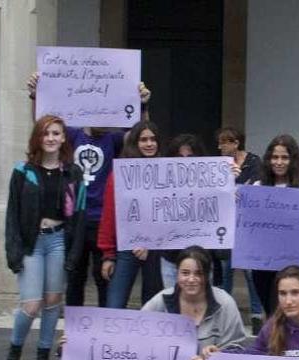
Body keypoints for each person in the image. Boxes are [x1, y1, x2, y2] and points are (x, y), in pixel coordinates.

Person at [26, 72, 151, 308]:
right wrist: (35, 96)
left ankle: (102, 332)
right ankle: (73, 336)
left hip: (103, 220)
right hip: (75, 219)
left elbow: (140, 136)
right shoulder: (72, 135)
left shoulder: (114, 140)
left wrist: (143, 105)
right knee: (75, 279)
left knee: (104, 277)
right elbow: (43, 128)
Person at [3, 115, 87, 360]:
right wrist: (13, 252)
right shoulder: (22, 171)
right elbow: (12, 215)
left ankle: (43, 356)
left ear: (63, 138)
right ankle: (14, 351)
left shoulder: (72, 173)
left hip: (59, 240)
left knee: (52, 302)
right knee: (30, 305)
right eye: (46, 133)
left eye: (56, 133)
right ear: (38, 138)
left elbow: (80, 214)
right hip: (32, 243)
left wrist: (74, 253)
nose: (51, 138)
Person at [248, 135, 299, 316]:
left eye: (284, 157)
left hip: (296, 268)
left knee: (294, 316)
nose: (279, 162)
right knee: (273, 317)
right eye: (274, 157)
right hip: (264, 268)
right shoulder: (257, 187)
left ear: (293, 160)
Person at [98, 121, 165, 308]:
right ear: (134, 143)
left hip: (156, 248)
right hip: (126, 247)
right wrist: (108, 255)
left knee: (153, 307)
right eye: (143, 139)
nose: (149, 144)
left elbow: (168, 213)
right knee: (114, 304)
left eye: (153, 139)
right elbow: (109, 215)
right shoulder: (119, 173)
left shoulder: (167, 172)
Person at [215, 126, 265, 332]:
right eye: (219, 143)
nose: (220, 147)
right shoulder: (219, 165)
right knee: (226, 271)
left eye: (224, 143)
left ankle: (256, 317)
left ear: (235, 143)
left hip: (249, 228)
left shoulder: (254, 162)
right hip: (227, 225)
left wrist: (237, 183)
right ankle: (224, 317)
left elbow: (259, 188)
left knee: (250, 273)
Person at [159, 134, 208, 288]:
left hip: (201, 260)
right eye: (180, 157)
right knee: (172, 308)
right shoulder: (160, 184)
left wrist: (229, 180)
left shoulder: (212, 183)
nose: (185, 161)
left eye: (190, 156)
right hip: (170, 259)